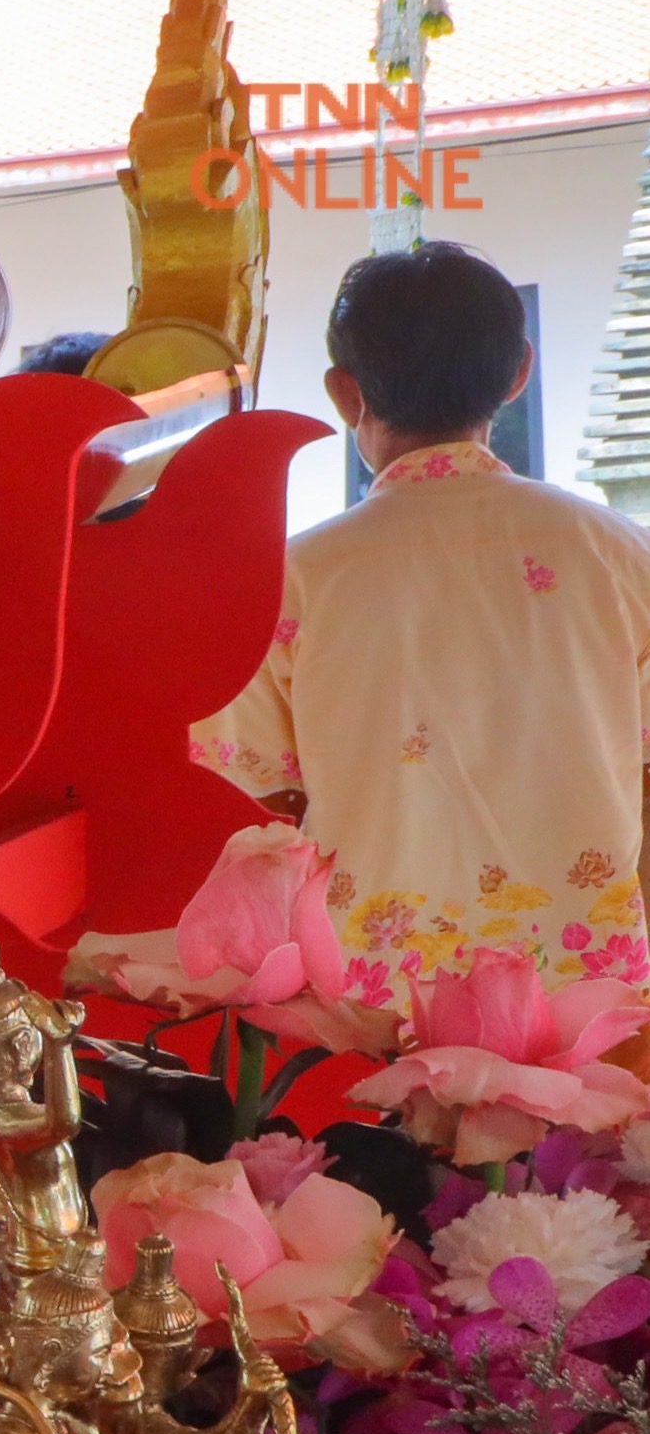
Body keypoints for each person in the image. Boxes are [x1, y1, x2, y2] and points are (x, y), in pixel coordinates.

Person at [191, 242, 650, 1000]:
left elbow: (255, 807)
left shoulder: (286, 583)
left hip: (372, 1002)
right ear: (518, 373)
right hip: (587, 996)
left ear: (345, 392)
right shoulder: (624, 557)